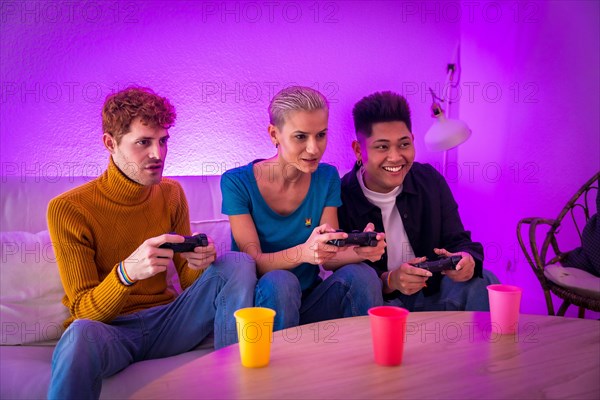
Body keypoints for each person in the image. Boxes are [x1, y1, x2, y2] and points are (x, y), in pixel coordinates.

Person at [46, 87, 256, 399]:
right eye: (143, 142)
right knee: (79, 334)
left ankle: (234, 383)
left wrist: (199, 263)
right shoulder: (69, 209)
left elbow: (186, 280)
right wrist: (126, 274)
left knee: (238, 262)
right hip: (112, 332)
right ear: (110, 143)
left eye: (163, 140)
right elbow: (83, 311)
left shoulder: (171, 194)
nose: (158, 154)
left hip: (169, 322)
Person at [221, 86, 384, 331]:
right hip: (262, 305)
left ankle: (365, 361)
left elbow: (329, 257)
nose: (314, 148)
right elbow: (252, 262)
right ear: (274, 134)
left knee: (363, 274)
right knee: (281, 281)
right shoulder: (236, 182)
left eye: (321, 135)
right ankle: (279, 367)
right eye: (300, 137)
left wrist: (360, 252)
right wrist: (303, 253)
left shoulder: (327, 177)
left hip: (309, 301)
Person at [338, 91, 499, 311]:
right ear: (359, 150)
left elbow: (458, 240)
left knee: (484, 280)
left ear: (413, 140)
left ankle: (487, 345)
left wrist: (467, 260)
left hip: (432, 294)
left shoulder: (429, 180)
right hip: (379, 305)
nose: (395, 157)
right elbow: (349, 278)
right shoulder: (341, 195)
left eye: (404, 144)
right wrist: (390, 280)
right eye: (382, 147)